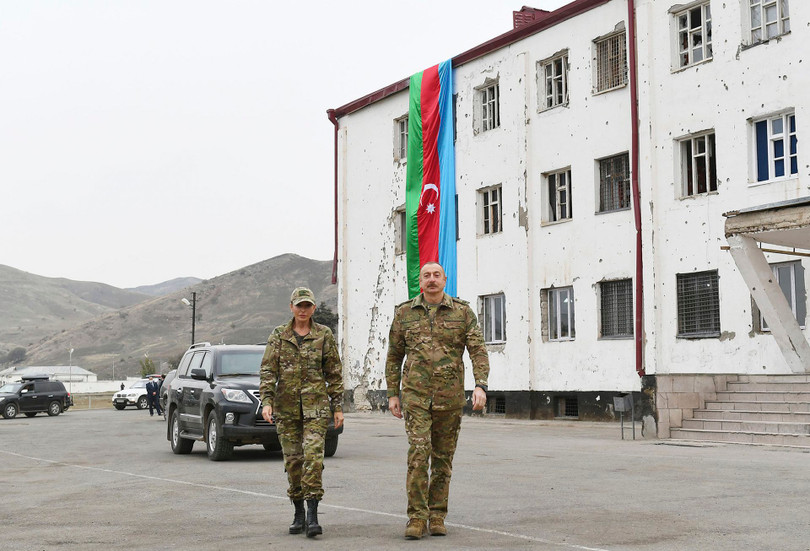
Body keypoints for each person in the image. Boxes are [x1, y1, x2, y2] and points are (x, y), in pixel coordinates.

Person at [385, 261, 490, 539]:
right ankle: (417, 517)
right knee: (419, 454)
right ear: (421, 281)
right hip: (415, 397)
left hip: (450, 396)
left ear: (445, 280)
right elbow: (394, 356)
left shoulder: (462, 312)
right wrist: (392, 393)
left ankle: (437, 515)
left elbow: (477, 350)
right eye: (426, 276)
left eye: (436, 275)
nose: (431, 280)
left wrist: (481, 385)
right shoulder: (404, 313)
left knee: (443, 459)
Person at [260, 287, 345, 538]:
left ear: (314, 308)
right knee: (294, 461)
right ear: (291, 307)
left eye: (307, 306)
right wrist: (267, 401)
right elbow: (268, 371)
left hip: (316, 409)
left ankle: (313, 514)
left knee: (314, 459)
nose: (303, 310)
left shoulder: (323, 334)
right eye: (299, 305)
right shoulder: (279, 335)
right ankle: (298, 511)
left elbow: (334, 372)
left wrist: (337, 406)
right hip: (286, 411)